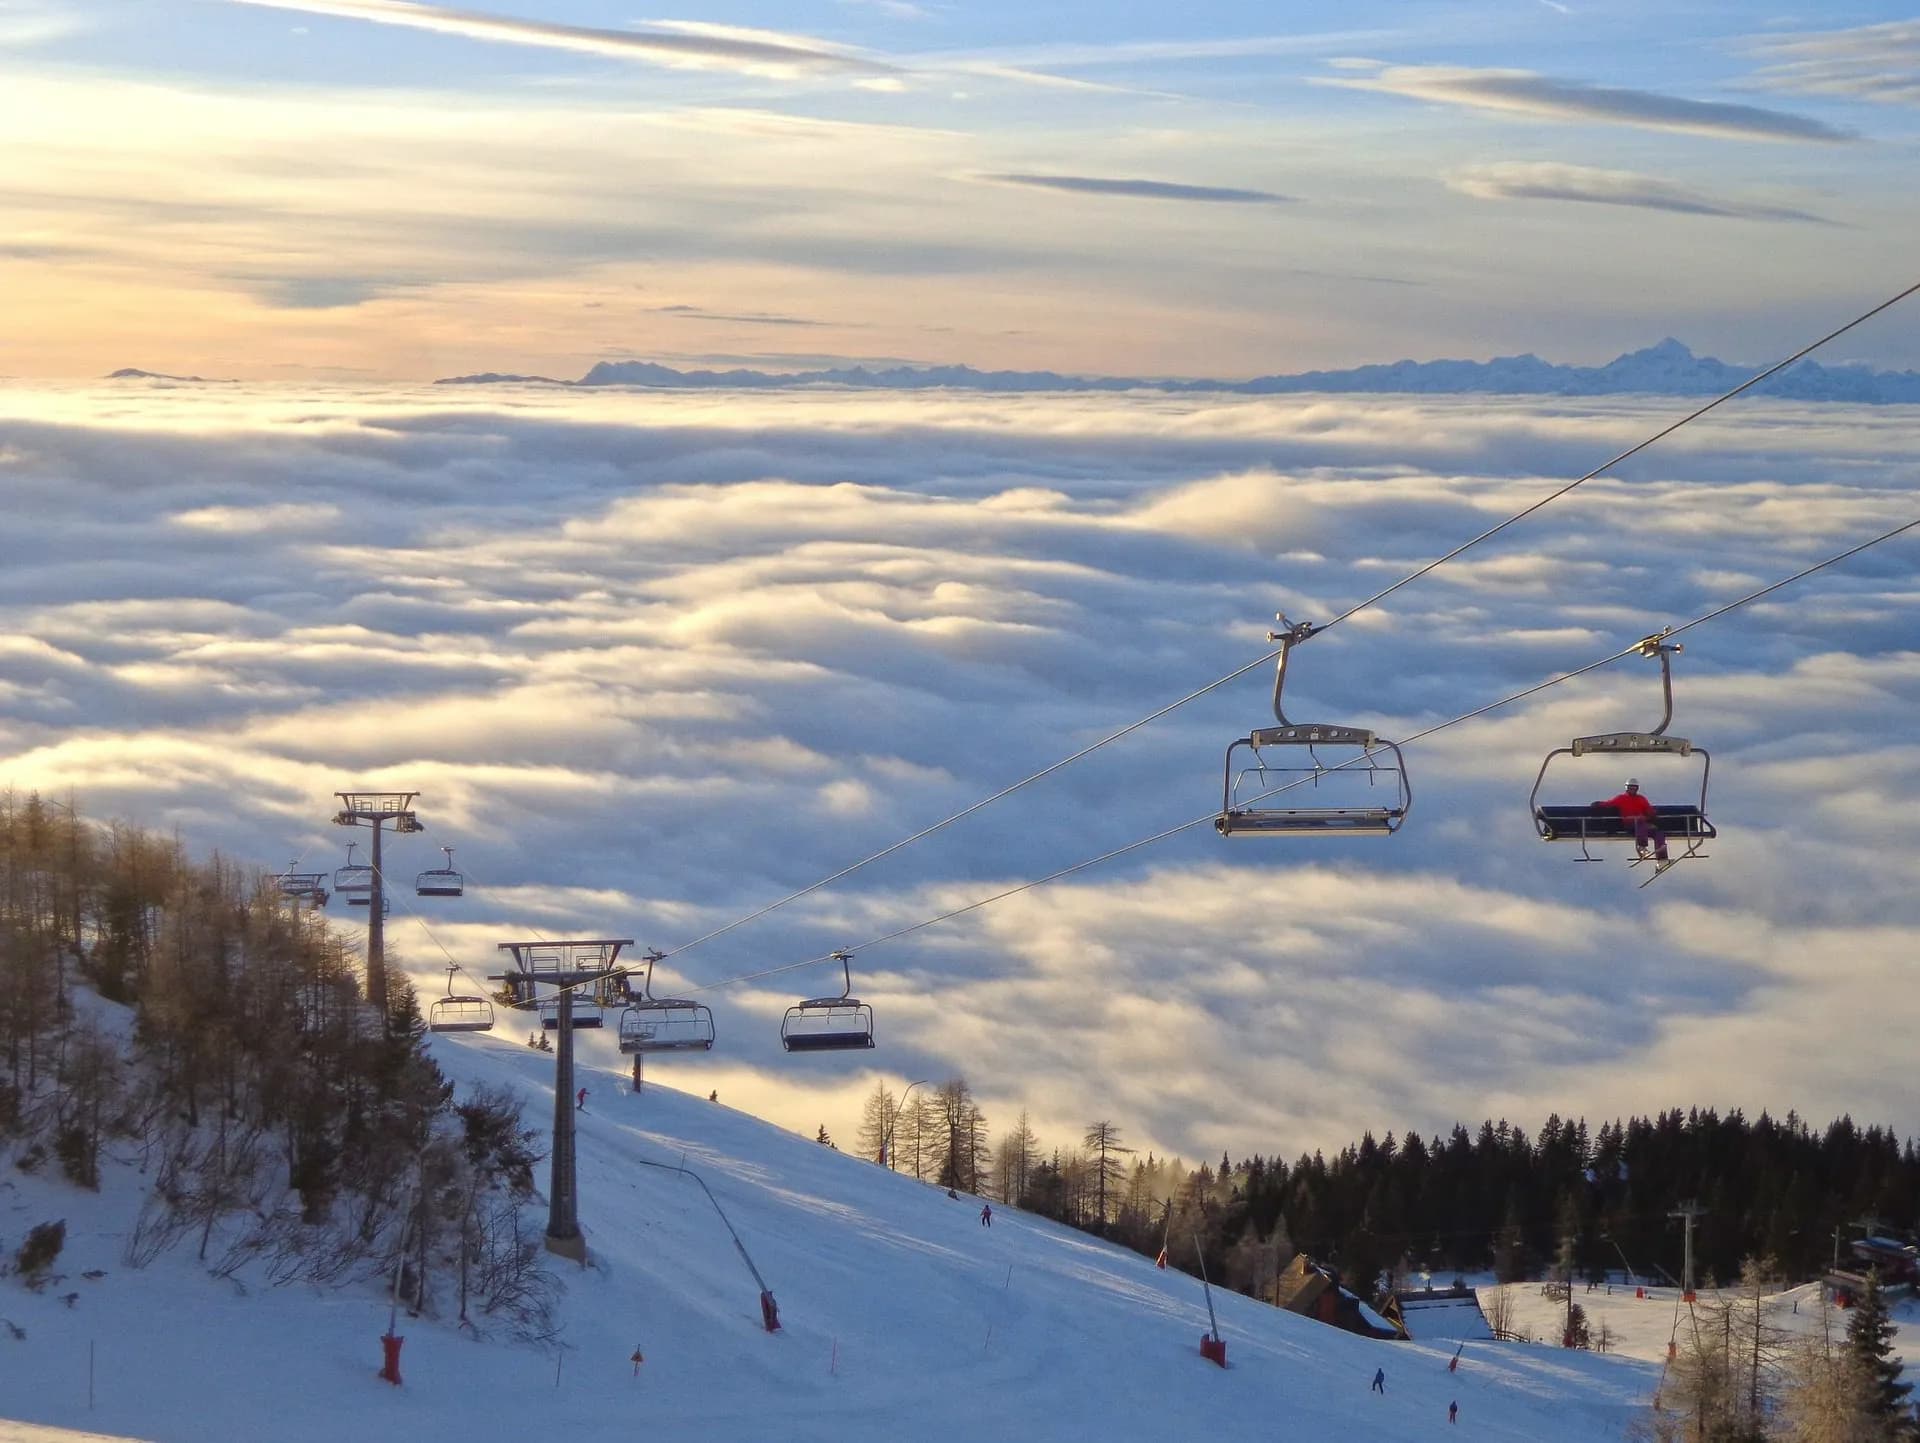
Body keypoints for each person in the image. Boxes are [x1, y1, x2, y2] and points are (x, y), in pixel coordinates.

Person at [1592, 777, 1668, 862]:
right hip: (1630, 825)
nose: (1632, 789)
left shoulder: (1641, 799)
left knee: (1658, 832)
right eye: (1630, 787)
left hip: (1643, 825)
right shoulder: (1621, 798)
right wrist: (1597, 804)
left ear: (1637, 788)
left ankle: (1662, 858)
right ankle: (1642, 847)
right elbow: (1609, 804)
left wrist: (1654, 818)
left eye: (1634, 787)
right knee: (1640, 823)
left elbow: (1649, 811)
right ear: (1627, 788)